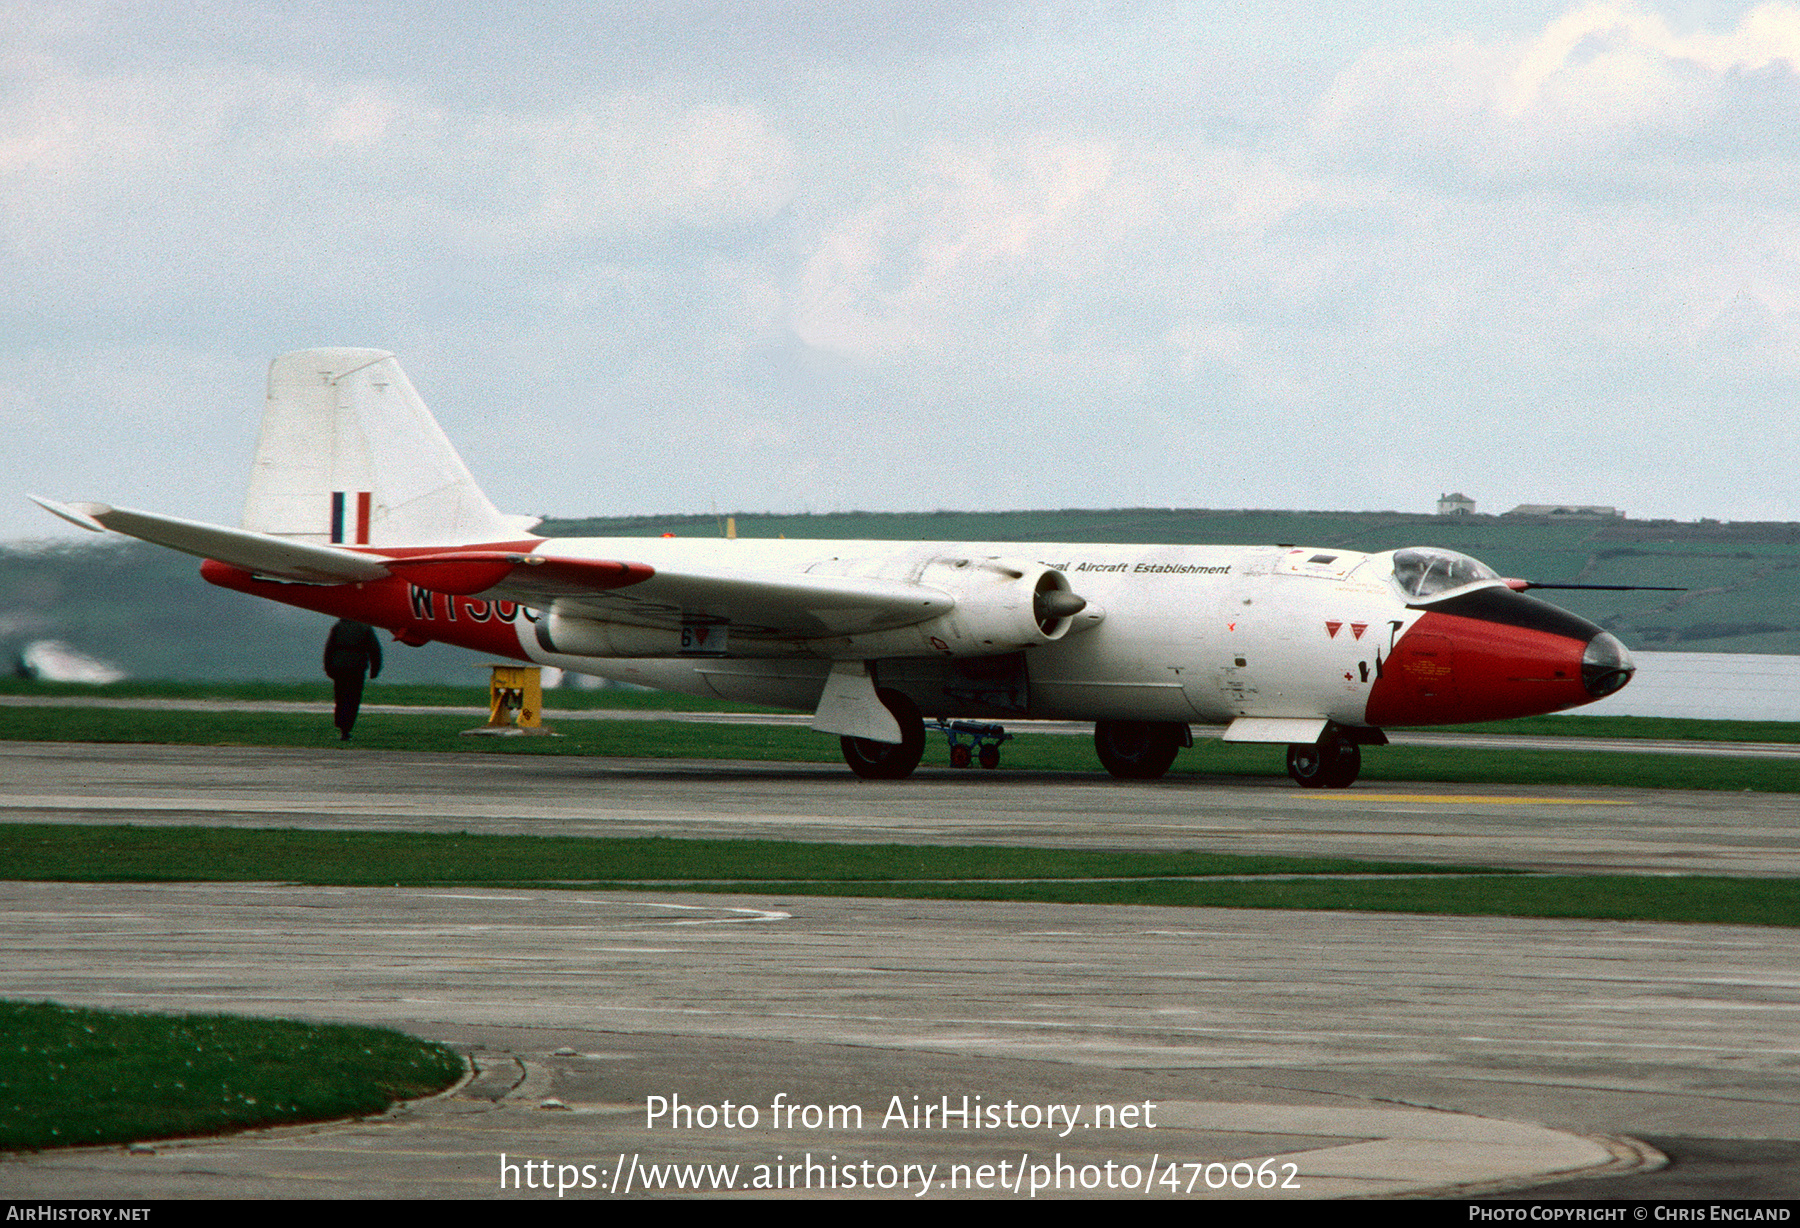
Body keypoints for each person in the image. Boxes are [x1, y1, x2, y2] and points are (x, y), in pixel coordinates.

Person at [322, 619, 382, 740]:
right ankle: (346, 728)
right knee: (353, 699)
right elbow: (375, 650)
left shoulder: (338, 626)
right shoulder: (365, 627)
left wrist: (328, 667)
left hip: (339, 667)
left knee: (340, 697)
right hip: (356, 668)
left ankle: (341, 723)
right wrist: (375, 670)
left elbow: (329, 649)